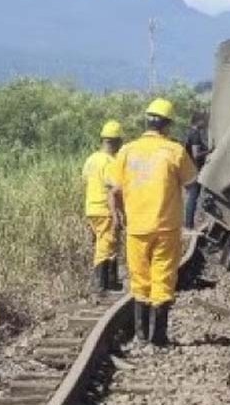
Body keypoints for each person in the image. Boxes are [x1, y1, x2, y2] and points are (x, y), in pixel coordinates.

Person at [108, 98, 197, 347]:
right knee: (163, 279)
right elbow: (191, 183)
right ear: (167, 125)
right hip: (166, 227)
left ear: (147, 121)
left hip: (136, 228)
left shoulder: (126, 151)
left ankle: (141, 335)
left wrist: (117, 215)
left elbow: (115, 189)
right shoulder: (175, 151)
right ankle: (159, 337)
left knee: (140, 280)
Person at [83, 120, 123, 293]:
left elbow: (85, 180)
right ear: (116, 142)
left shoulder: (91, 159)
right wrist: (116, 214)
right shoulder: (109, 162)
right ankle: (101, 284)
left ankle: (110, 282)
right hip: (105, 209)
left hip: (91, 208)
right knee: (106, 245)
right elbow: (113, 189)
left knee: (106, 243)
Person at [183, 111, 210, 229]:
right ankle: (188, 224)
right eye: (204, 120)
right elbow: (196, 155)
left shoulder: (189, 132)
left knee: (193, 197)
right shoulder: (195, 134)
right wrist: (210, 151)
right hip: (194, 170)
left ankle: (189, 223)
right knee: (193, 197)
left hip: (190, 170)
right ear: (199, 121)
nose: (206, 122)